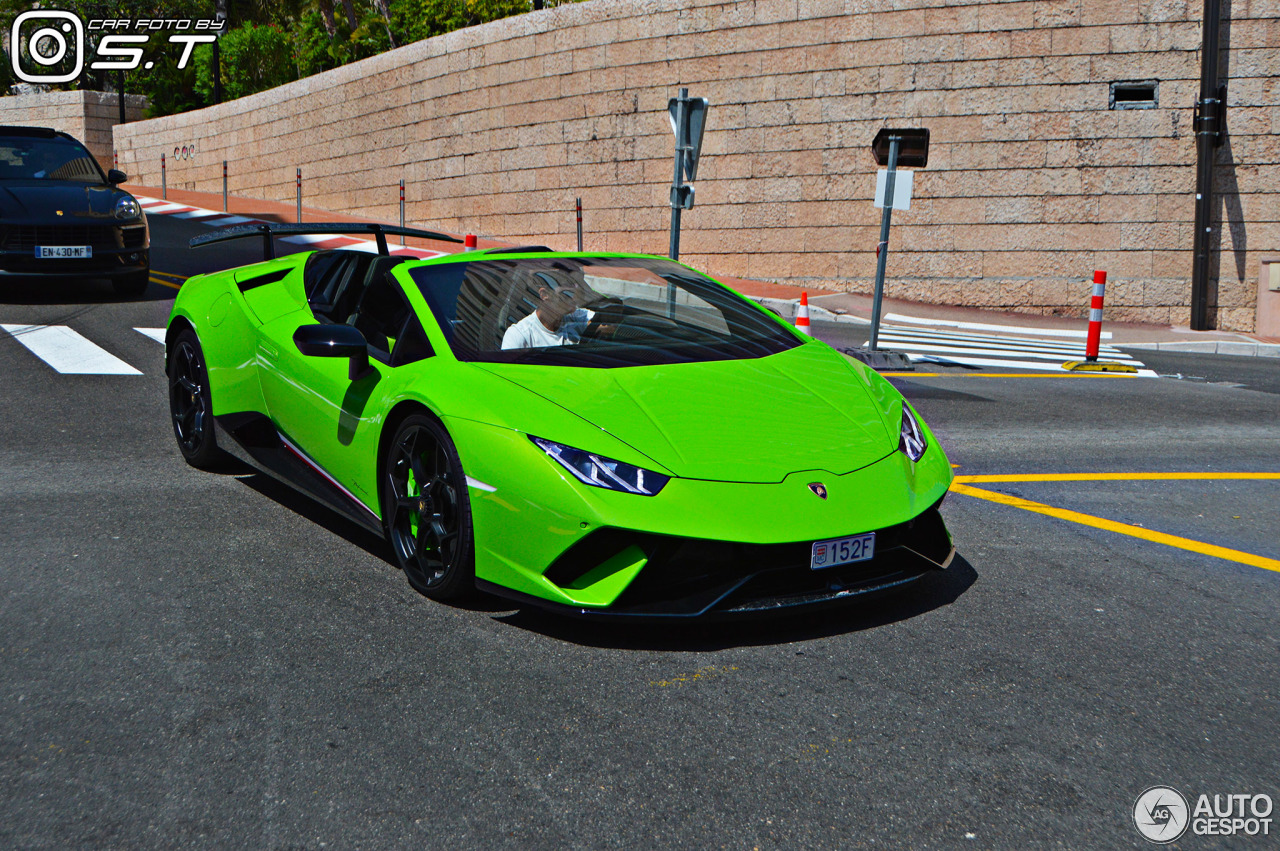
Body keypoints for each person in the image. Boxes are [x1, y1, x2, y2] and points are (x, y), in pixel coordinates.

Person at [501, 272, 596, 349]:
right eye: (566, 294)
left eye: (573, 293)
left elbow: (606, 321)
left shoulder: (576, 317)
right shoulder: (520, 335)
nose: (573, 299)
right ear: (544, 294)